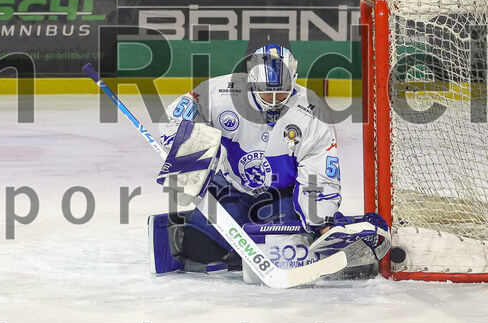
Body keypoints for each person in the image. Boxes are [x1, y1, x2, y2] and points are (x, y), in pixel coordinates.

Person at [148, 44, 389, 280]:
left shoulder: (311, 109)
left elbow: (318, 170)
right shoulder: (218, 93)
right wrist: (194, 157)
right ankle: (240, 247)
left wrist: (321, 222)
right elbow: (174, 120)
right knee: (198, 251)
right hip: (232, 189)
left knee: (291, 248)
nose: (274, 100)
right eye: (266, 92)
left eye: (281, 93)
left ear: (294, 81)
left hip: (283, 196)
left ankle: (335, 228)